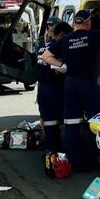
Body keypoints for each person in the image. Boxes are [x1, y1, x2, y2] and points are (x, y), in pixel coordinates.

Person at [41, 5, 100, 171]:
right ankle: (94, 160)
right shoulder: (94, 36)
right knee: (98, 123)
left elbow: (46, 56)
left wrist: (62, 65)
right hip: (87, 85)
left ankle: (75, 163)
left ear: (75, 23)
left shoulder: (66, 40)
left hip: (70, 85)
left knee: (71, 125)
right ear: (87, 23)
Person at [36, 21, 73, 153]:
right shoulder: (57, 47)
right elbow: (58, 70)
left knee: (48, 122)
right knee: (64, 121)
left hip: (42, 90)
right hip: (55, 89)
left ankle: (51, 153)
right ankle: (61, 154)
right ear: (62, 35)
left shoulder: (41, 46)